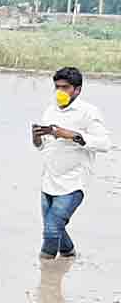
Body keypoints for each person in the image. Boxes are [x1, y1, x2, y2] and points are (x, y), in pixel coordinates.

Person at [31, 67, 111, 260]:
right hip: (49, 180)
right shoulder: (50, 110)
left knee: (51, 231)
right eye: (57, 87)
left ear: (77, 90)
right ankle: (68, 253)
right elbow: (43, 147)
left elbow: (104, 144)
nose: (60, 92)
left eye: (65, 87)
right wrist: (36, 138)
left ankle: (45, 273)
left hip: (74, 182)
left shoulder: (88, 112)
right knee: (55, 226)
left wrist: (71, 135)